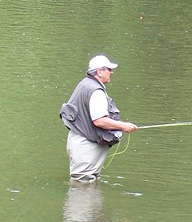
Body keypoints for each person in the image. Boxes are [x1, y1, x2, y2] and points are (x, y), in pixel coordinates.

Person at [59, 54, 138, 182]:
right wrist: (124, 126)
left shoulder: (85, 84)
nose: (111, 72)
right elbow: (99, 121)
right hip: (85, 146)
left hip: (78, 141)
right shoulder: (95, 91)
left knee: (87, 181)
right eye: (108, 69)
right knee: (82, 183)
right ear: (99, 72)